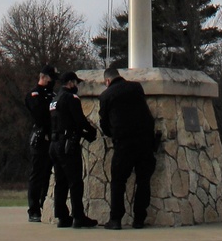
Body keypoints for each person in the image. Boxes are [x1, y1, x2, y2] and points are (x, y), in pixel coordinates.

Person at [99, 64, 157, 230]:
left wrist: (113, 133)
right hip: (145, 140)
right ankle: (139, 219)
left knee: (118, 181)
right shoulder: (136, 87)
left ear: (107, 80)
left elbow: (104, 124)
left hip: (123, 142)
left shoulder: (105, 96)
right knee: (143, 180)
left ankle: (116, 219)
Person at [49, 70, 98, 228]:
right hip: (67, 144)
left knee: (60, 182)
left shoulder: (54, 99)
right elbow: (79, 120)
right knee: (75, 181)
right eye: (76, 83)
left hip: (55, 144)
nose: (77, 86)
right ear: (70, 82)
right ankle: (78, 216)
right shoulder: (71, 98)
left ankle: (62, 216)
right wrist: (91, 132)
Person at [24, 64, 56, 222]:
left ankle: (45, 204)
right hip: (40, 137)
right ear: (44, 77)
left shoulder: (53, 94)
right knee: (37, 174)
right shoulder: (34, 94)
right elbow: (40, 116)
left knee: (49, 174)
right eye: (51, 78)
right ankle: (34, 209)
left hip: (53, 137)